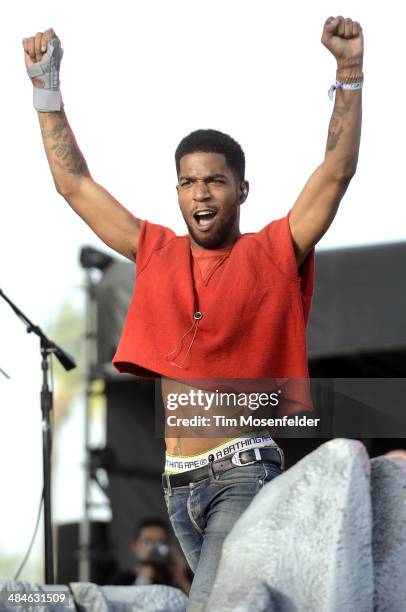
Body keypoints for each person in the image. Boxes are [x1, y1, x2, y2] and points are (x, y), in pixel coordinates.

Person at [23, 15, 363, 610]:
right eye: (187, 183)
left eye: (215, 181)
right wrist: (45, 90)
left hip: (243, 472)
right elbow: (75, 188)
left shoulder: (273, 251)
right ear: (177, 191)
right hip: (177, 487)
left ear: (242, 190)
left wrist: (350, 72)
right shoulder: (155, 251)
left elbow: (335, 174)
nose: (200, 193)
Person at [109, 518, 191, 594]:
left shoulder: (177, 575)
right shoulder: (122, 580)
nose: (153, 548)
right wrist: (143, 580)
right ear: (135, 547)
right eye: (147, 542)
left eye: (161, 542)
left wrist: (182, 579)